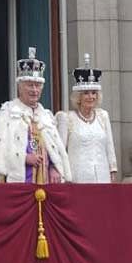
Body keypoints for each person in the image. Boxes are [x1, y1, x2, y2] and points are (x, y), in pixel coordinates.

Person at [0, 47, 71, 183]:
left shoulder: (46, 116)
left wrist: (55, 167)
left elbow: (55, 150)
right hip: (17, 182)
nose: (34, 90)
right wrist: (23, 157)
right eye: (30, 85)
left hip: (46, 183)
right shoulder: (6, 113)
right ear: (20, 86)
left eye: (38, 86)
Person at [55, 53, 117, 183]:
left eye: (94, 93)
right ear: (78, 97)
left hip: (102, 176)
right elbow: (60, 152)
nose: (91, 97)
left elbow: (109, 146)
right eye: (86, 93)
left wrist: (112, 170)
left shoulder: (103, 116)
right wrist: (62, 176)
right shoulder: (67, 118)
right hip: (78, 178)